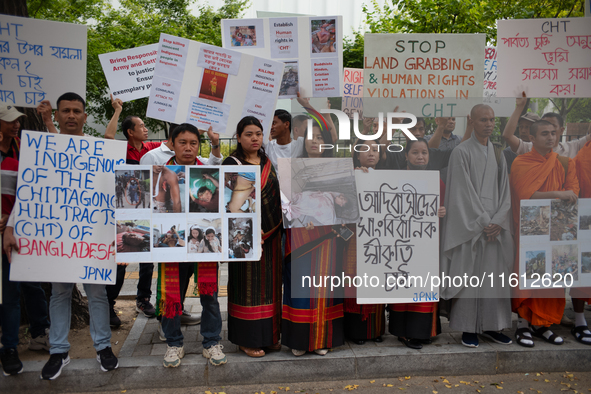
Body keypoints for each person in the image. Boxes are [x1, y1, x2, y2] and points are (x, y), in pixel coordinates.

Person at [4, 92, 119, 379]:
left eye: (76, 111)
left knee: (97, 294)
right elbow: (28, 193)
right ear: (57, 115)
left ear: (84, 116)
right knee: (59, 293)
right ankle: (58, 351)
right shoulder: (43, 149)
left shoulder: (98, 149)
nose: (71, 115)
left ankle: (103, 347)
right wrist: (10, 227)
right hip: (58, 240)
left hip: (92, 237)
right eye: (65, 111)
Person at [440, 104, 514, 348]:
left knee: (494, 279)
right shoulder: (461, 152)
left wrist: (499, 221)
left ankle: (493, 326)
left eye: (492, 120)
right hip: (471, 226)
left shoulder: (498, 152)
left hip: (494, 228)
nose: (490, 124)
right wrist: (484, 221)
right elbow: (461, 193)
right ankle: (468, 328)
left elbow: (506, 192)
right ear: (471, 120)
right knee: (469, 277)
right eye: (484, 120)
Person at [155, 123, 226, 367]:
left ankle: (212, 341)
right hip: (173, 243)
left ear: (199, 145)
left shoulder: (208, 171)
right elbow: (154, 206)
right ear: (171, 143)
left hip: (201, 242)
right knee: (171, 294)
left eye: (193, 143)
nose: (188, 147)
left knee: (209, 294)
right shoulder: (161, 172)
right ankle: (174, 344)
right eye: (182, 142)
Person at [510, 120, 580, 347]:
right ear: (532, 138)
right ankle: (522, 326)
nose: (551, 138)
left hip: (557, 227)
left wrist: (560, 195)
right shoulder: (521, 162)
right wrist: (557, 195)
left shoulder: (565, 163)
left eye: (553, 133)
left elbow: (573, 192)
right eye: (544, 134)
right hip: (530, 227)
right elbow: (524, 195)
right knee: (529, 274)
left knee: (551, 277)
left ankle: (543, 326)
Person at [282, 119, 346, 356]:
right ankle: (298, 340)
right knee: (299, 285)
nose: (315, 141)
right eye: (311, 137)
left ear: (327, 143)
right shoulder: (292, 168)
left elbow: (345, 201)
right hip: (298, 234)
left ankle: (321, 339)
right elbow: (286, 202)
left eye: (320, 137)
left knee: (323, 286)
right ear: (303, 141)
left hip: (327, 235)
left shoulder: (336, 169)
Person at [223, 116, 283, 358]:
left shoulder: (267, 160)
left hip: (272, 235)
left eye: (258, 133)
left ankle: (268, 337)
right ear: (239, 137)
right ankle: (246, 339)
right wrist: (248, 228)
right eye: (249, 134)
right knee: (246, 288)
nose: (255, 138)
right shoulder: (232, 162)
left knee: (270, 287)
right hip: (244, 238)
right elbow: (228, 204)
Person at [0, 109, 51, 376]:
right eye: (10, 120)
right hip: (4, 231)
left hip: (23, 229)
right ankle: (9, 347)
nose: (17, 124)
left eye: (18, 119)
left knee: (32, 284)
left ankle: (39, 334)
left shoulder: (24, 148)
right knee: (8, 293)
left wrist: (48, 122)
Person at [387, 138, 446, 349]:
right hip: (401, 243)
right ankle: (405, 332)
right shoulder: (395, 179)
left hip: (426, 243)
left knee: (424, 287)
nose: (421, 156)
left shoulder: (436, 181)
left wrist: (442, 211)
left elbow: (442, 206)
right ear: (406, 156)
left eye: (424, 152)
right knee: (404, 287)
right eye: (415, 152)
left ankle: (423, 331)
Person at [502, 92, 591, 159]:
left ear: (561, 130)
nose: (548, 131)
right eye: (544, 126)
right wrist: (519, 107)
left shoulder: (572, 147)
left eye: (553, 127)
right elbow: (507, 136)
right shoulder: (528, 148)